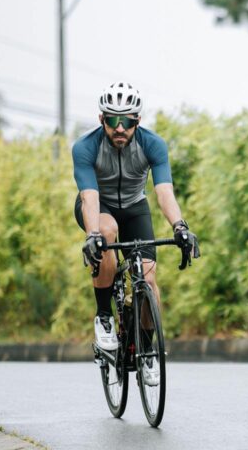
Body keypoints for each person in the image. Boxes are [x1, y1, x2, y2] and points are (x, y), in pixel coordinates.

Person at [72, 82, 199, 386]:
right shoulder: (85, 147)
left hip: (135, 207)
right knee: (107, 231)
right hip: (98, 208)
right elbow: (89, 196)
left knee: (150, 280)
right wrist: (92, 234)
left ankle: (146, 348)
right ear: (101, 119)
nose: (120, 128)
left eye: (127, 121)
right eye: (113, 120)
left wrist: (180, 226)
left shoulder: (152, 144)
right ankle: (104, 315)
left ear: (137, 121)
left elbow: (164, 192)